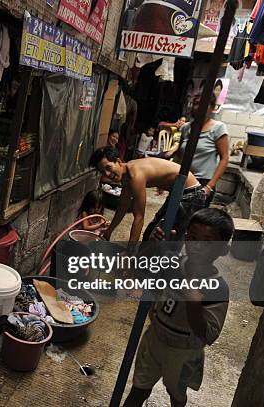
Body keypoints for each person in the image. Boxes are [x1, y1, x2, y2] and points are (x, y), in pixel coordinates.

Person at [123, 208, 234, 407]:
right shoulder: (174, 263)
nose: (196, 246)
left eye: (207, 242)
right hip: (155, 338)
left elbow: (207, 335)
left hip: (184, 352)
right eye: (192, 237)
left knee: (177, 395)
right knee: (138, 389)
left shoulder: (217, 287)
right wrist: (154, 245)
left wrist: (194, 306)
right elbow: (145, 271)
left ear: (223, 250)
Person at [89, 147, 207, 250]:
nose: (107, 174)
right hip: (177, 193)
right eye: (103, 172)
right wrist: (108, 232)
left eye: (108, 168)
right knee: (151, 235)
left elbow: (139, 217)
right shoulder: (126, 176)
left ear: (119, 162)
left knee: (166, 240)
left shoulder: (135, 175)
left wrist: (129, 252)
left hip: (191, 194)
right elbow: (122, 207)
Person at [173, 93, 230, 206]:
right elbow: (179, 155)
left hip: (202, 183)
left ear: (212, 107)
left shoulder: (218, 128)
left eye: (203, 104)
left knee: (190, 220)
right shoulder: (186, 128)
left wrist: (209, 187)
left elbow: (225, 158)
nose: (198, 107)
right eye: (195, 104)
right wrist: (169, 177)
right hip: (182, 179)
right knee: (168, 216)